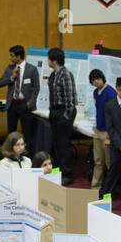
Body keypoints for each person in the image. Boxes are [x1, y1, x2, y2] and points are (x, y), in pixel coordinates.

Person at [46, 48, 77, 182]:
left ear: (54, 61)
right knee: (56, 144)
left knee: (64, 145)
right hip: (54, 111)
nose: (47, 61)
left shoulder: (65, 74)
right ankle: (57, 171)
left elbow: (70, 99)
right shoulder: (54, 74)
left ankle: (67, 174)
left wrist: (65, 117)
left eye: (49, 59)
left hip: (63, 112)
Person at [0, 44, 39, 139]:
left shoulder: (32, 69)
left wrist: (30, 102)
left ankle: (27, 152)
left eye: (12, 56)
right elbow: (0, 83)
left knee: (27, 131)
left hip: (25, 104)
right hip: (12, 104)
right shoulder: (9, 68)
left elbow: (36, 88)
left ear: (19, 56)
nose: (10, 58)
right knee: (11, 131)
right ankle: (11, 152)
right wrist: (11, 77)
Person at [88, 69, 116, 189]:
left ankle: (109, 189)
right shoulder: (95, 92)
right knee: (98, 161)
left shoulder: (110, 92)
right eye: (93, 80)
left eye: (97, 79)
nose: (95, 82)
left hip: (107, 132)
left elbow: (115, 115)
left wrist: (111, 135)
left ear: (102, 78)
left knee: (109, 163)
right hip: (97, 131)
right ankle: (95, 188)